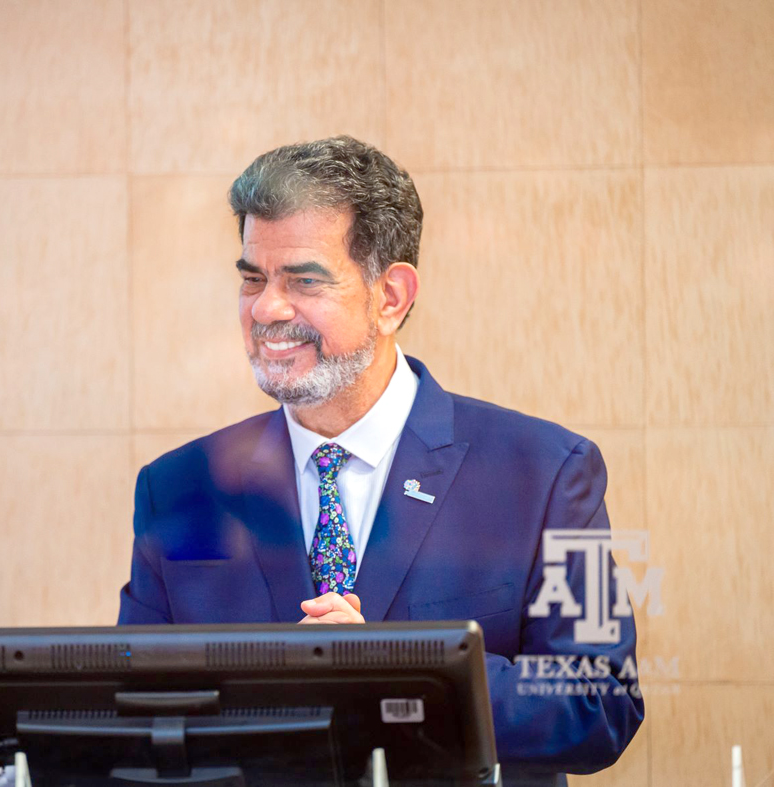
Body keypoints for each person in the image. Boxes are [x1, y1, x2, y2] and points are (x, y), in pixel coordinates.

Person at [116, 136, 644, 783]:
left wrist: (407, 669)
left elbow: (600, 702)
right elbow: (134, 715)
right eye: (252, 278)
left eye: (302, 280)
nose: (265, 308)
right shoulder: (179, 489)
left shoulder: (548, 472)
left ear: (390, 296)